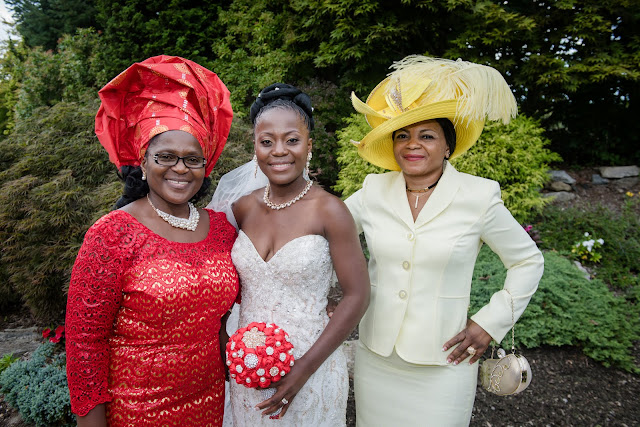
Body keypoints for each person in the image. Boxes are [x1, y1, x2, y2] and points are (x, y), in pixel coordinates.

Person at [345, 56, 545, 426]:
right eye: (402, 135)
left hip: (446, 362)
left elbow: (527, 261)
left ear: (448, 146)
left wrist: (491, 322)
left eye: (427, 135)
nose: (412, 145)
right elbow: (325, 231)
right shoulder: (374, 189)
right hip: (377, 357)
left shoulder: (479, 196)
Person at [65, 55, 238, 427]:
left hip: (211, 402)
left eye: (193, 159)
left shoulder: (222, 229)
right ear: (142, 162)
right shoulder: (112, 234)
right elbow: (85, 345)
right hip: (136, 411)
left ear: (205, 167)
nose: (180, 168)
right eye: (166, 156)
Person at [209, 83, 370, 426]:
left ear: (308, 146)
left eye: (292, 140)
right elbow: (216, 277)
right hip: (246, 364)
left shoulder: (330, 211)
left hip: (312, 364)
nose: (278, 150)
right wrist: (224, 339)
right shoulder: (240, 209)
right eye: (267, 141)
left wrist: (302, 371)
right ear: (255, 147)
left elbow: (357, 295)